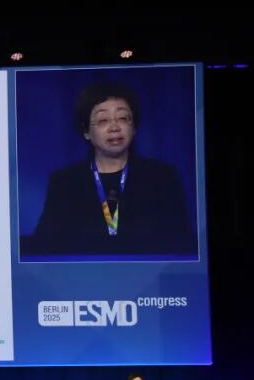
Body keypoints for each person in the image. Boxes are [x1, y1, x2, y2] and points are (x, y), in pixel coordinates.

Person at [28, 81, 196, 257]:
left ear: (134, 127)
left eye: (123, 118)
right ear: (86, 132)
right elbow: (44, 247)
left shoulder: (162, 177)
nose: (114, 128)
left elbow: (182, 244)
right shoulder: (65, 182)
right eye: (103, 120)